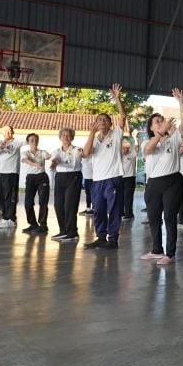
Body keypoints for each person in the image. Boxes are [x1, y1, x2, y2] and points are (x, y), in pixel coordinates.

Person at [141, 89, 183, 265]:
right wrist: (162, 132)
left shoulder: (173, 139)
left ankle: (170, 253)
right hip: (153, 183)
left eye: (162, 120)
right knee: (154, 217)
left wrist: (181, 103)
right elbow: (148, 150)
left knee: (169, 217)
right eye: (157, 122)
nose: (161, 123)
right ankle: (156, 250)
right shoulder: (147, 142)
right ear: (151, 127)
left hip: (173, 182)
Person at [82, 84, 128, 250]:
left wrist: (117, 98)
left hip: (113, 178)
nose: (101, 121)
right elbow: (86, 153)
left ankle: (113, 239)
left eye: (104, 120)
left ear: (109, 124)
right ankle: (101, 237)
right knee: (98, 210)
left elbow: (123, 117)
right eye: (98, 120)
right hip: (97, 181)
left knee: (114, 210)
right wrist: (91, 134)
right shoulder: (93, 139)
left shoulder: (115, 135)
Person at [50, 127, 82, 242]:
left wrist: (82, 153)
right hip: (60, 177)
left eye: (68, 135)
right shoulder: (56, 151)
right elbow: (56, 159)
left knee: (70, 205)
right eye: (63, 135)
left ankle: (72, 232)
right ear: (60, 138)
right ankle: (63, 231)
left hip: (73, 176)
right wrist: (54, 162)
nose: (65, 137)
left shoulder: (76, 149)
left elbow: (80, 154)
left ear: (72, 137)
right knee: (58, 205)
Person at [0, 121, 21, 229]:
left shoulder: (17, 142)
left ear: (12, 132)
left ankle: (11, 219)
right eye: (5, 131)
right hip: (0, 173)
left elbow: (29, 142)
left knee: (10, 197)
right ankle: (4, 218)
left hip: (11, 173)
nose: (7, 133)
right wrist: (1, 147)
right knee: (0, 197)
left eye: (9, 131)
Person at [21, 133, 51, 235]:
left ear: (38, 141)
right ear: (28, 142)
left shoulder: (42, 152)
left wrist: (49, 156)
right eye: (31, 140)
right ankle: (33, 224)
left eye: (35, 140)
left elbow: (47, 156)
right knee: (28, 203)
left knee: (43, 202)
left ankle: (43, 225)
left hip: (42, 177)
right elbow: (26, 160)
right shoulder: (25, 153)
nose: (34, 142)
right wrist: (35, 164)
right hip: (30, 178)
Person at [121, 126, 138, 221]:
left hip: (130, 178)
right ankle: (122, 212)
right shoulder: (119, 155)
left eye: (126, 148)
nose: (125, 150)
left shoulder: (131, 154)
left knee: (128, 196)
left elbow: (137, 148)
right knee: (121, 196)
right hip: (121, 177)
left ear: (128, 148)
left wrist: (135, 138)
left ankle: (129, 214)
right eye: (123, 148)